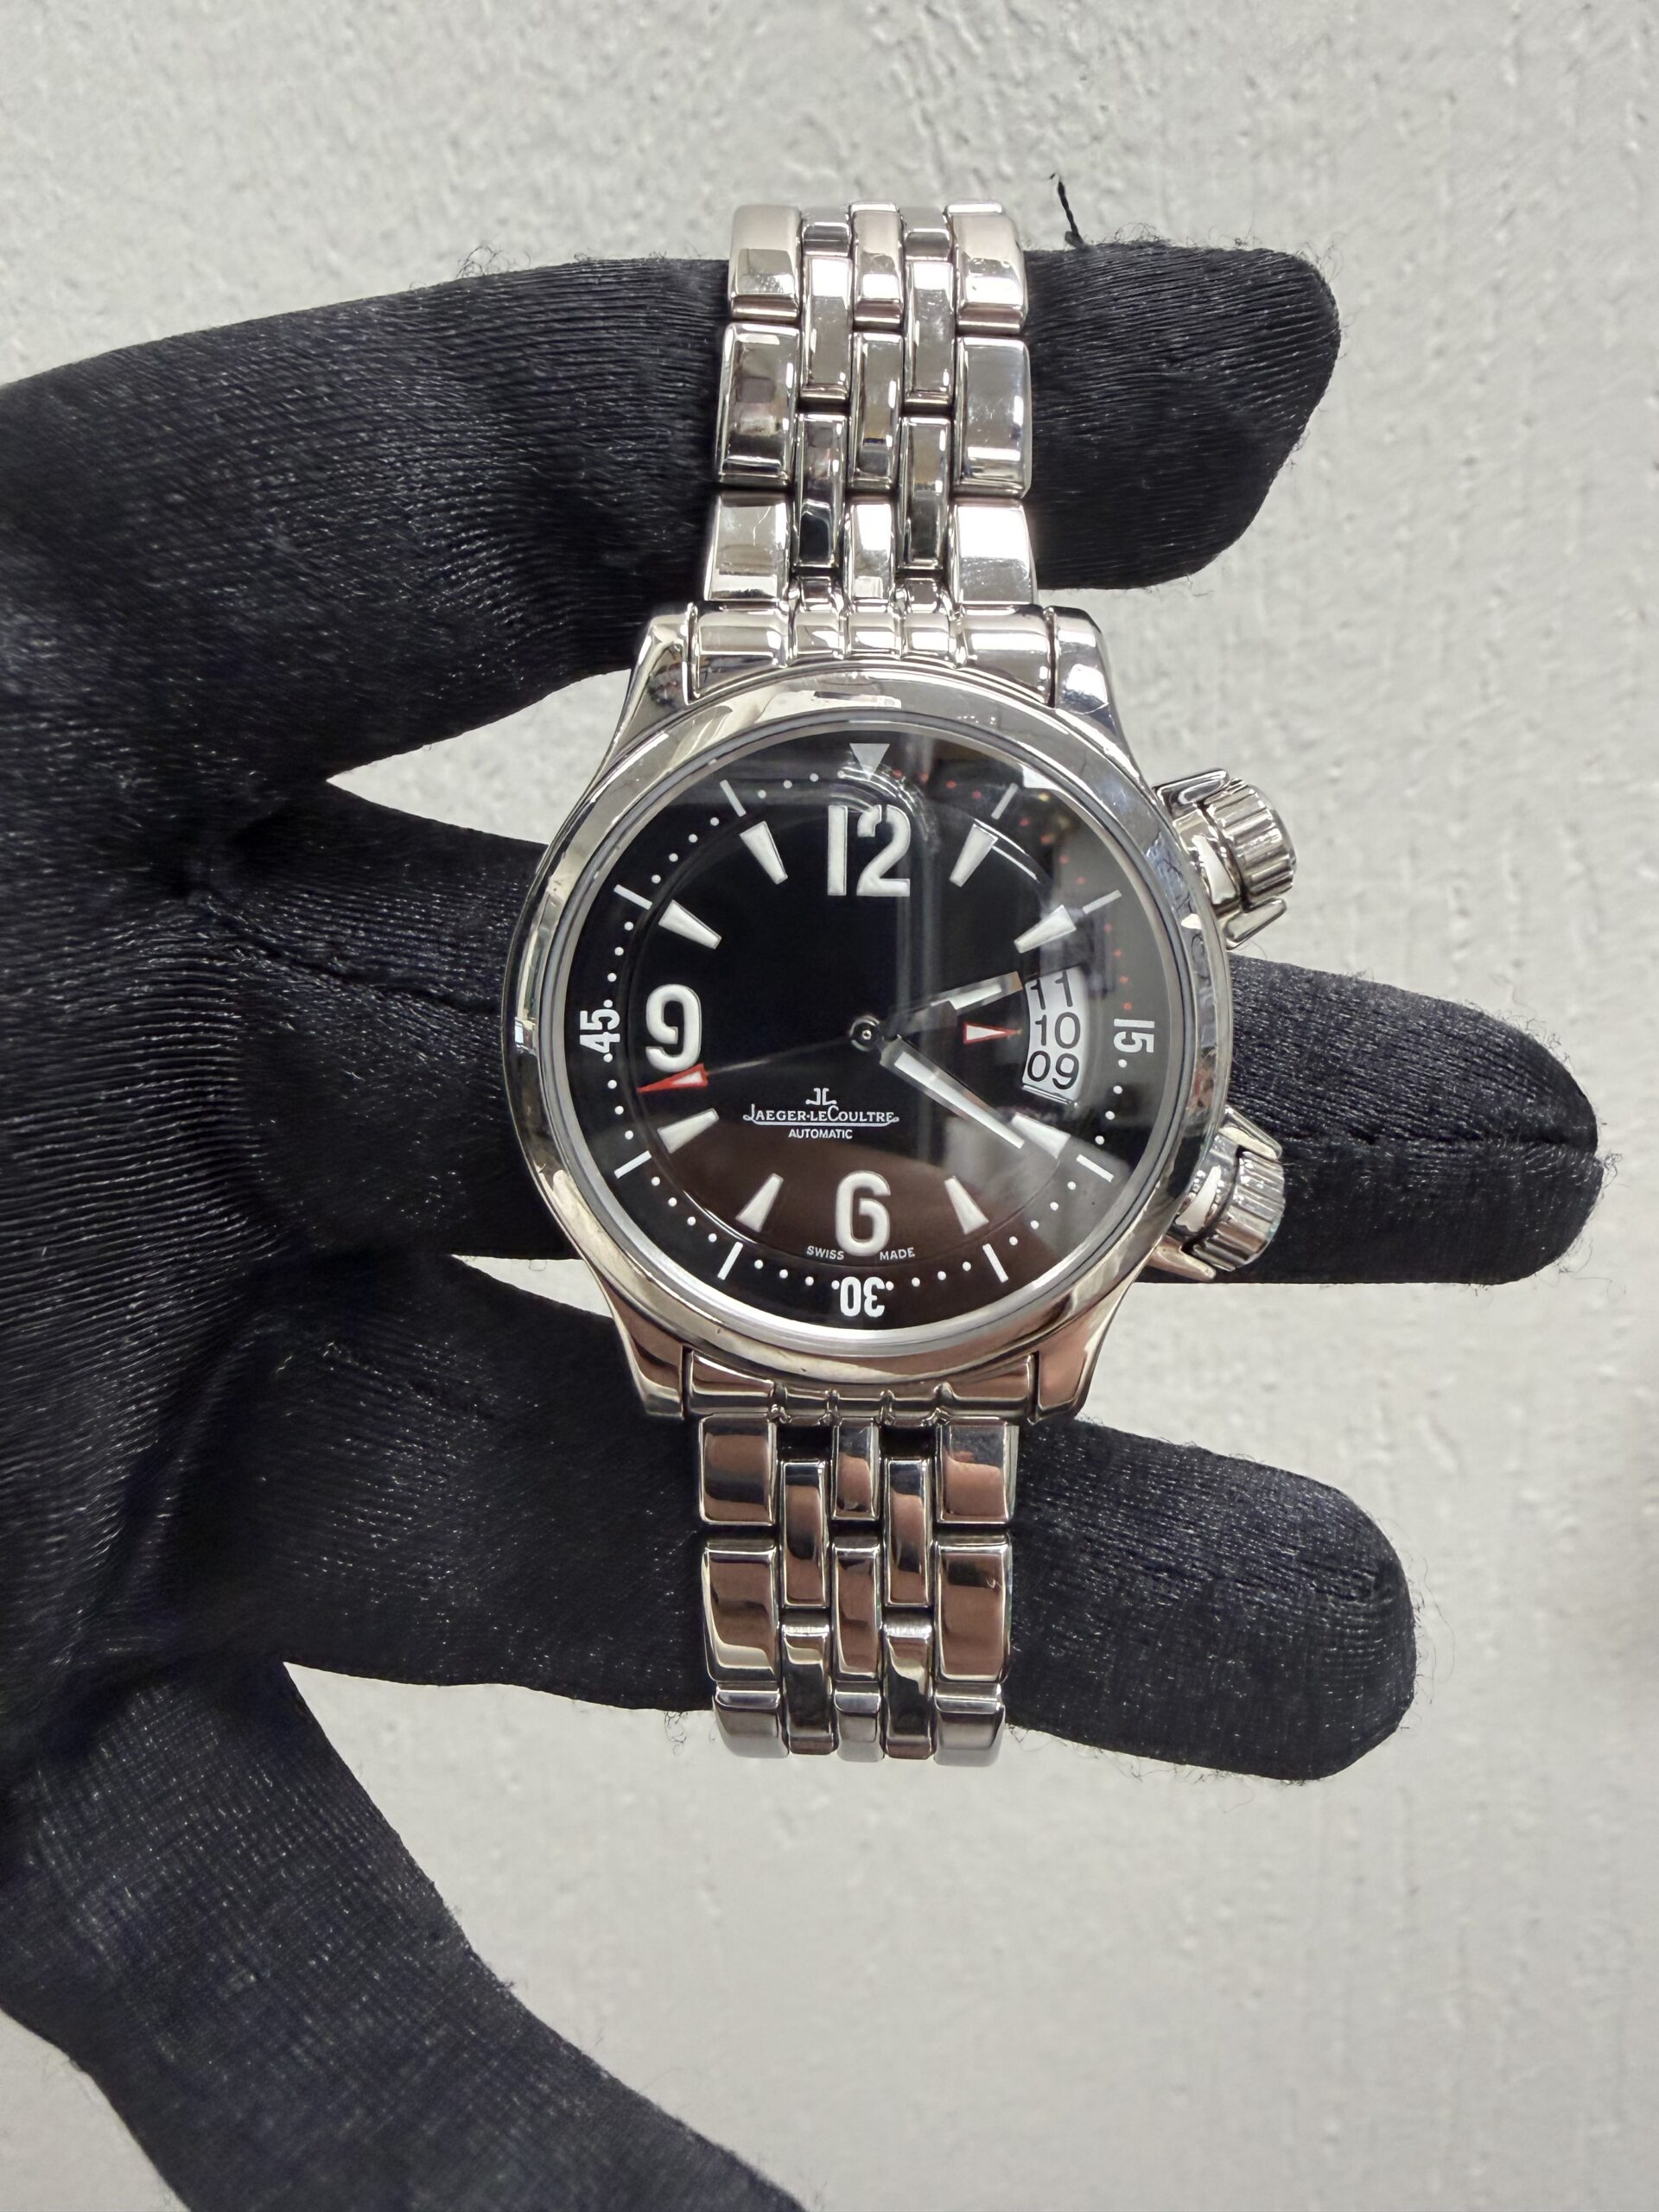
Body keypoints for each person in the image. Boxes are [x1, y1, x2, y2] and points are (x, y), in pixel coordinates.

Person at [0, 237, 1600, 2209]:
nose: (868, 1038)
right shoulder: (669, 898)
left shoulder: (1085, 986)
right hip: (743, 1254)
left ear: (1201, 879)